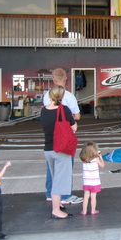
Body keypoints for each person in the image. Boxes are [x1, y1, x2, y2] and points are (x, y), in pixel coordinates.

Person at [43, 68, 82, 205]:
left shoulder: (45, 98)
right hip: (64, 141)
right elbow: (76, 117)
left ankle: (50, 193)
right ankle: (65, 196)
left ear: (53, 80)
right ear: (65, 79)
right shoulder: (69, 97)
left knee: (51, 169)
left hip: (49, 142)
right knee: (64, 171)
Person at [79, 141, 105, 215]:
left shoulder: (84, 160)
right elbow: (102, 165)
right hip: (95, 182)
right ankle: (93, 210)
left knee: (86, 196)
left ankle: (84, 210)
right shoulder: (96, 160)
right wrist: (100, 157)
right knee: (93, 196)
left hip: (86, 182)